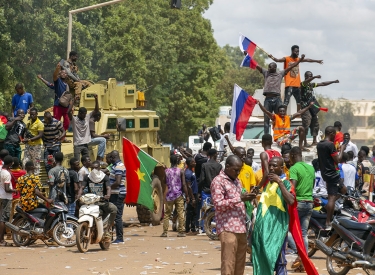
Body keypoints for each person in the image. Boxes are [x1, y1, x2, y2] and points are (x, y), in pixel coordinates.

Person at [211, 155, 255, 275]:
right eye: (235, 170)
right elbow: (218, 204)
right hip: (228, 228)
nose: (238, 172)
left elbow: (240, 198)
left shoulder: (237, 181)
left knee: (239, 265)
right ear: (227, 166)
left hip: (241, 227)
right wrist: (239, 198)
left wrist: (248, 196)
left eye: (239, 170)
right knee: (228, 264)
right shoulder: (218, 181)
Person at [252, 157, 295, 275]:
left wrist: (280, 182)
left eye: (274, 166)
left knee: (279, 260)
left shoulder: (286, 183)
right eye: (270, 165)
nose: (271, 168)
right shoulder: (268, 184)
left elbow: (291, 201)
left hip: (277, 230)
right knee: (263, 258)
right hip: (263, 230)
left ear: (282, 168)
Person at [255, 54, 306, 134]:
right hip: (268, 99)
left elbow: (292, 66)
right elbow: (256, 65)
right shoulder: (266, 73)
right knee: (266, 119)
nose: (268, 68)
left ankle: (282, 134)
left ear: (274, 68)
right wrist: (248, 56)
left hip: (277, 99)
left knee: (281, 117)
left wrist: (300, 59)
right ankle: (266, 137)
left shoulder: (280, 74)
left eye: (270, 67)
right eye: (268, 67)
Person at [286, 146, 315, 271]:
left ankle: (299, 255)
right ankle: (304, 260)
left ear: (292, 155)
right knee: (303, 233)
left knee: (287, 230)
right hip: (309, 202)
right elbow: (312, 185)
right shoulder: (310, 168)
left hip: (298, 204)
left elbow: (292, 188)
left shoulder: (294, 168)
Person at [77, 160, 117, 241]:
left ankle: (107, 229)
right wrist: (79, 194)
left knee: (114, 209)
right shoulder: (87, 177)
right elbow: (82, 187)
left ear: (99, 168)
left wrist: (108, 195)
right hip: (91, 201)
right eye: (92, 168)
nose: (94, 170)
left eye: (96, 168)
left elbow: (108, 188)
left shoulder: (104, 177)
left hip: (102, 201)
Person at [317, 126, 347, 229]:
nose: (336, 136)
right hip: (332, 174)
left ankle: (327, 207)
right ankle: (328, 222)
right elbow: (338, 159)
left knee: (344, 190)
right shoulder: (330, 145)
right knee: (331, 198)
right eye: (335, 134)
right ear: (331, 133)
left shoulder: (320, 144)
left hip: (326, 173)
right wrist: (342, 149)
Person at [300, 71, 339, 146]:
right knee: (306, 123)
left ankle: (314, 141)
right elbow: (305, 82)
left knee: (315, 123)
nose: (310, 77)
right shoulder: (303, 84)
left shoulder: (311, 85)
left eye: (311, 76)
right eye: (309, 76)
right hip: (305, 108)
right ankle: (304, 143)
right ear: (305, 77)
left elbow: (323, 84)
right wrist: (314, 77)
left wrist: (333, 81)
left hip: (312, 107)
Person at [161, 154, 189, 238]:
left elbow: (164, 182)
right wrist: (187, 195)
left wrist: (166, 171)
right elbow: (184, 184)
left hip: (169, 195)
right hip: (178, 195)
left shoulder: (167, 171)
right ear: (177, 162)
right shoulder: (181, 171)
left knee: (167, 214)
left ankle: (165, 232)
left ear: (170, 161)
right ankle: (181, 231)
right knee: (181, 213)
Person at [68, 94, 99, 160]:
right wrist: (73, 100)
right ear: (80, 113)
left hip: (85, 144)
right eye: (83, 114)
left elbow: (96, 110)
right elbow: (68, 112)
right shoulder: (74, 120)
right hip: (77, 144)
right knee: (77, 161)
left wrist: (96, 99)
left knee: (87, 161)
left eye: (85, 114)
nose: (85, 116)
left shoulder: (87, 117)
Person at [199, 149, 222, 232]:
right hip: (216, 191)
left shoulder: (204, 165)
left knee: (205, 209)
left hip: (206, 190)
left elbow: (202, 179)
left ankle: (204, 228)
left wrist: (199, 190)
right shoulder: (219, 166)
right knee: (216, 210)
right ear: (215, 155)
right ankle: (215, 228)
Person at [109, 150, 126, 244]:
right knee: (114, 215)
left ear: (113, 157)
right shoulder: (116, 166)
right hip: (116, 193)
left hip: (118, 193)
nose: (109, 159)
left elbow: (118, 182)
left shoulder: (119, 167)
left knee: (117, 216)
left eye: (110, 157)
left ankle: (120, 238)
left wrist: (108, 188)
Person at [194, 142, 211, 231]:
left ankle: (197, 224)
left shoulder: (196, 156)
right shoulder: (207, 160)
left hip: (196, 181)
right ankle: (204, 225)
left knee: (197, 205)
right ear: (208, 149)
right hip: (204, 183)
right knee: (205, 206)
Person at [22, 107, 44, 175]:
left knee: (36, 163)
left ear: (37, 114)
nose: (32, 116)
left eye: (34, 114)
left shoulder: (40, 123)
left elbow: (40, 135)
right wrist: (25, 139)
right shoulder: (29, 122)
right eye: (31, 114)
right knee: (25, 162)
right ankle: (26, 177)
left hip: (36, 146)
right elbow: (26, 132)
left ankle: (36, 179)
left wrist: (30, 139)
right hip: (28, 145)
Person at [0, 156, 15, 246]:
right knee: (3, 219)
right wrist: (15, 190)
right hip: (6, 197)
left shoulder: (1, 171)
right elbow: (7, 189)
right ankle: (1, 240)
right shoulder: (7, 174)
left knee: (1, 218)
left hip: (1, 196)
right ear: (9, 164)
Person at [52, 63, 71, 132]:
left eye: (65, 73)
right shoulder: (58, 81)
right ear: (60, 74)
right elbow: (54, 76)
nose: (64, 74)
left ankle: (62, 135)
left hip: (65, 106)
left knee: (67, 122)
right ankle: (57, 136)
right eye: (62, 73)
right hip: (58, 105)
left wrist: (70, 106)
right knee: (56, 122)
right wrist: (57, 69)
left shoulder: (66, 85)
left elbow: (68, 97)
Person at [9, 157, 26, 223]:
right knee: (17, 214)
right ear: (19, 164)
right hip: (19, 196)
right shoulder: (23, 172)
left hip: (10, 195)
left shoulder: (8, 172)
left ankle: (8, 230)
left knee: (10, 213)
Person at [185, 157, 198, 235]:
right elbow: (188, 186)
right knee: (189, 212)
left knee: (194, 212)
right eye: (193, 162)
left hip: (195, 194)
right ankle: (187, 229)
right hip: (191, 194)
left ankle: (193, 229)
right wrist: (192, 197)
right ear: (190, 164)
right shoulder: (188, 173)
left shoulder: (192, 171)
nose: (195, 163)